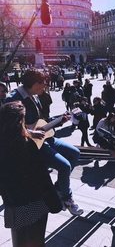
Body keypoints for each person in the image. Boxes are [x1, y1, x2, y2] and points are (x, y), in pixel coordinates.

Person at [5, 70, 83, 216]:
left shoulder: (34, 96)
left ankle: (60, 188)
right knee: (65, 166)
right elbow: (8, 127)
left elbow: (41, 122)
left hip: (46, 137)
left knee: (75, 153)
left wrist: (59, 120)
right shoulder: (14, 98)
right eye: (43, 83)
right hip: (32, 144)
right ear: (34, 83)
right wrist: (30, 133)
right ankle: (67, 199)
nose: (46, 86)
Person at [0, 101, 62, 246]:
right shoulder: (26, 144)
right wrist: (54, 203)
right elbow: (42, 177)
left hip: (12, 203)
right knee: (36, 241)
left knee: (19, 240)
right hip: (34, 202)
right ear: (20, 121)